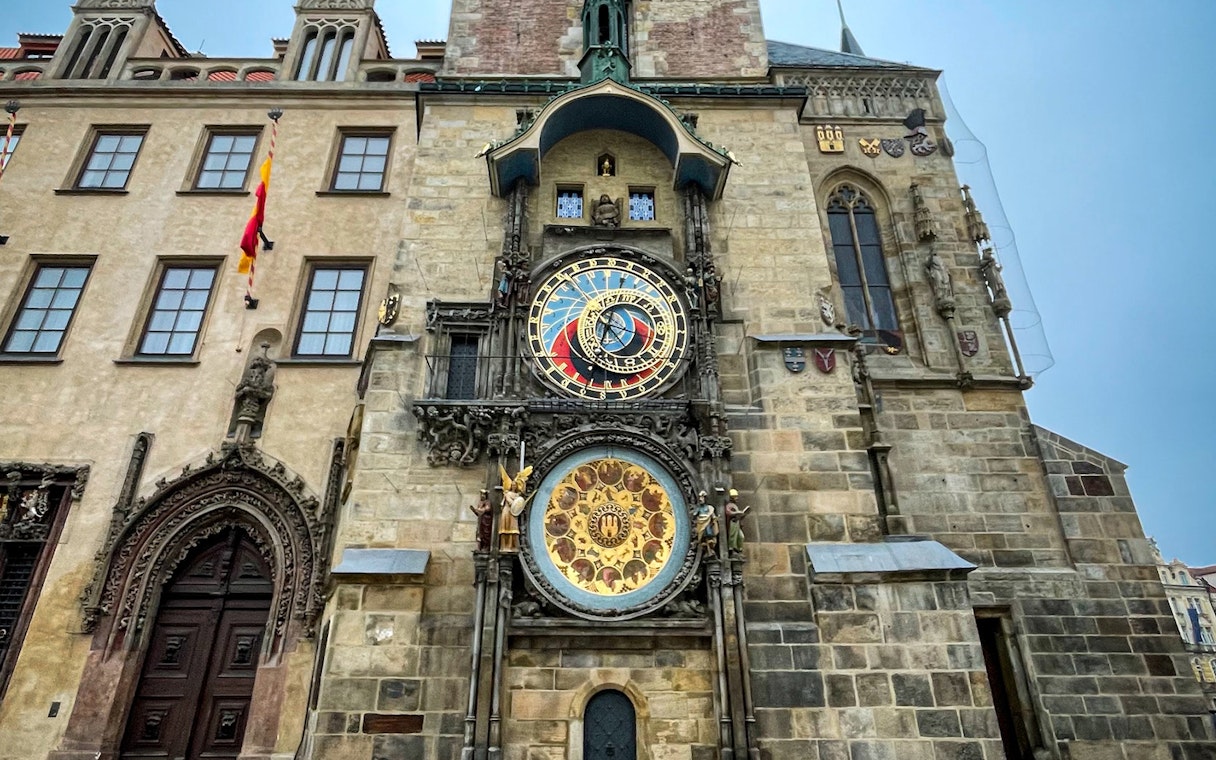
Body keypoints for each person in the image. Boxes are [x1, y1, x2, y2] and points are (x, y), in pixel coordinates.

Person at [725, 489, 751, 556]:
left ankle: (739, 550)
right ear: (731, 498)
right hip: (733, 523)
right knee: (733, 536)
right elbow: (728, 512)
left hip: (737, 523)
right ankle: (732, 549)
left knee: (741, 536)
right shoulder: (729, 505)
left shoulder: (735, 506)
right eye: (735, 497)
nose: (737, 498)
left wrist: (744, 514)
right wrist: (738, 512)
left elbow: (739, 516)